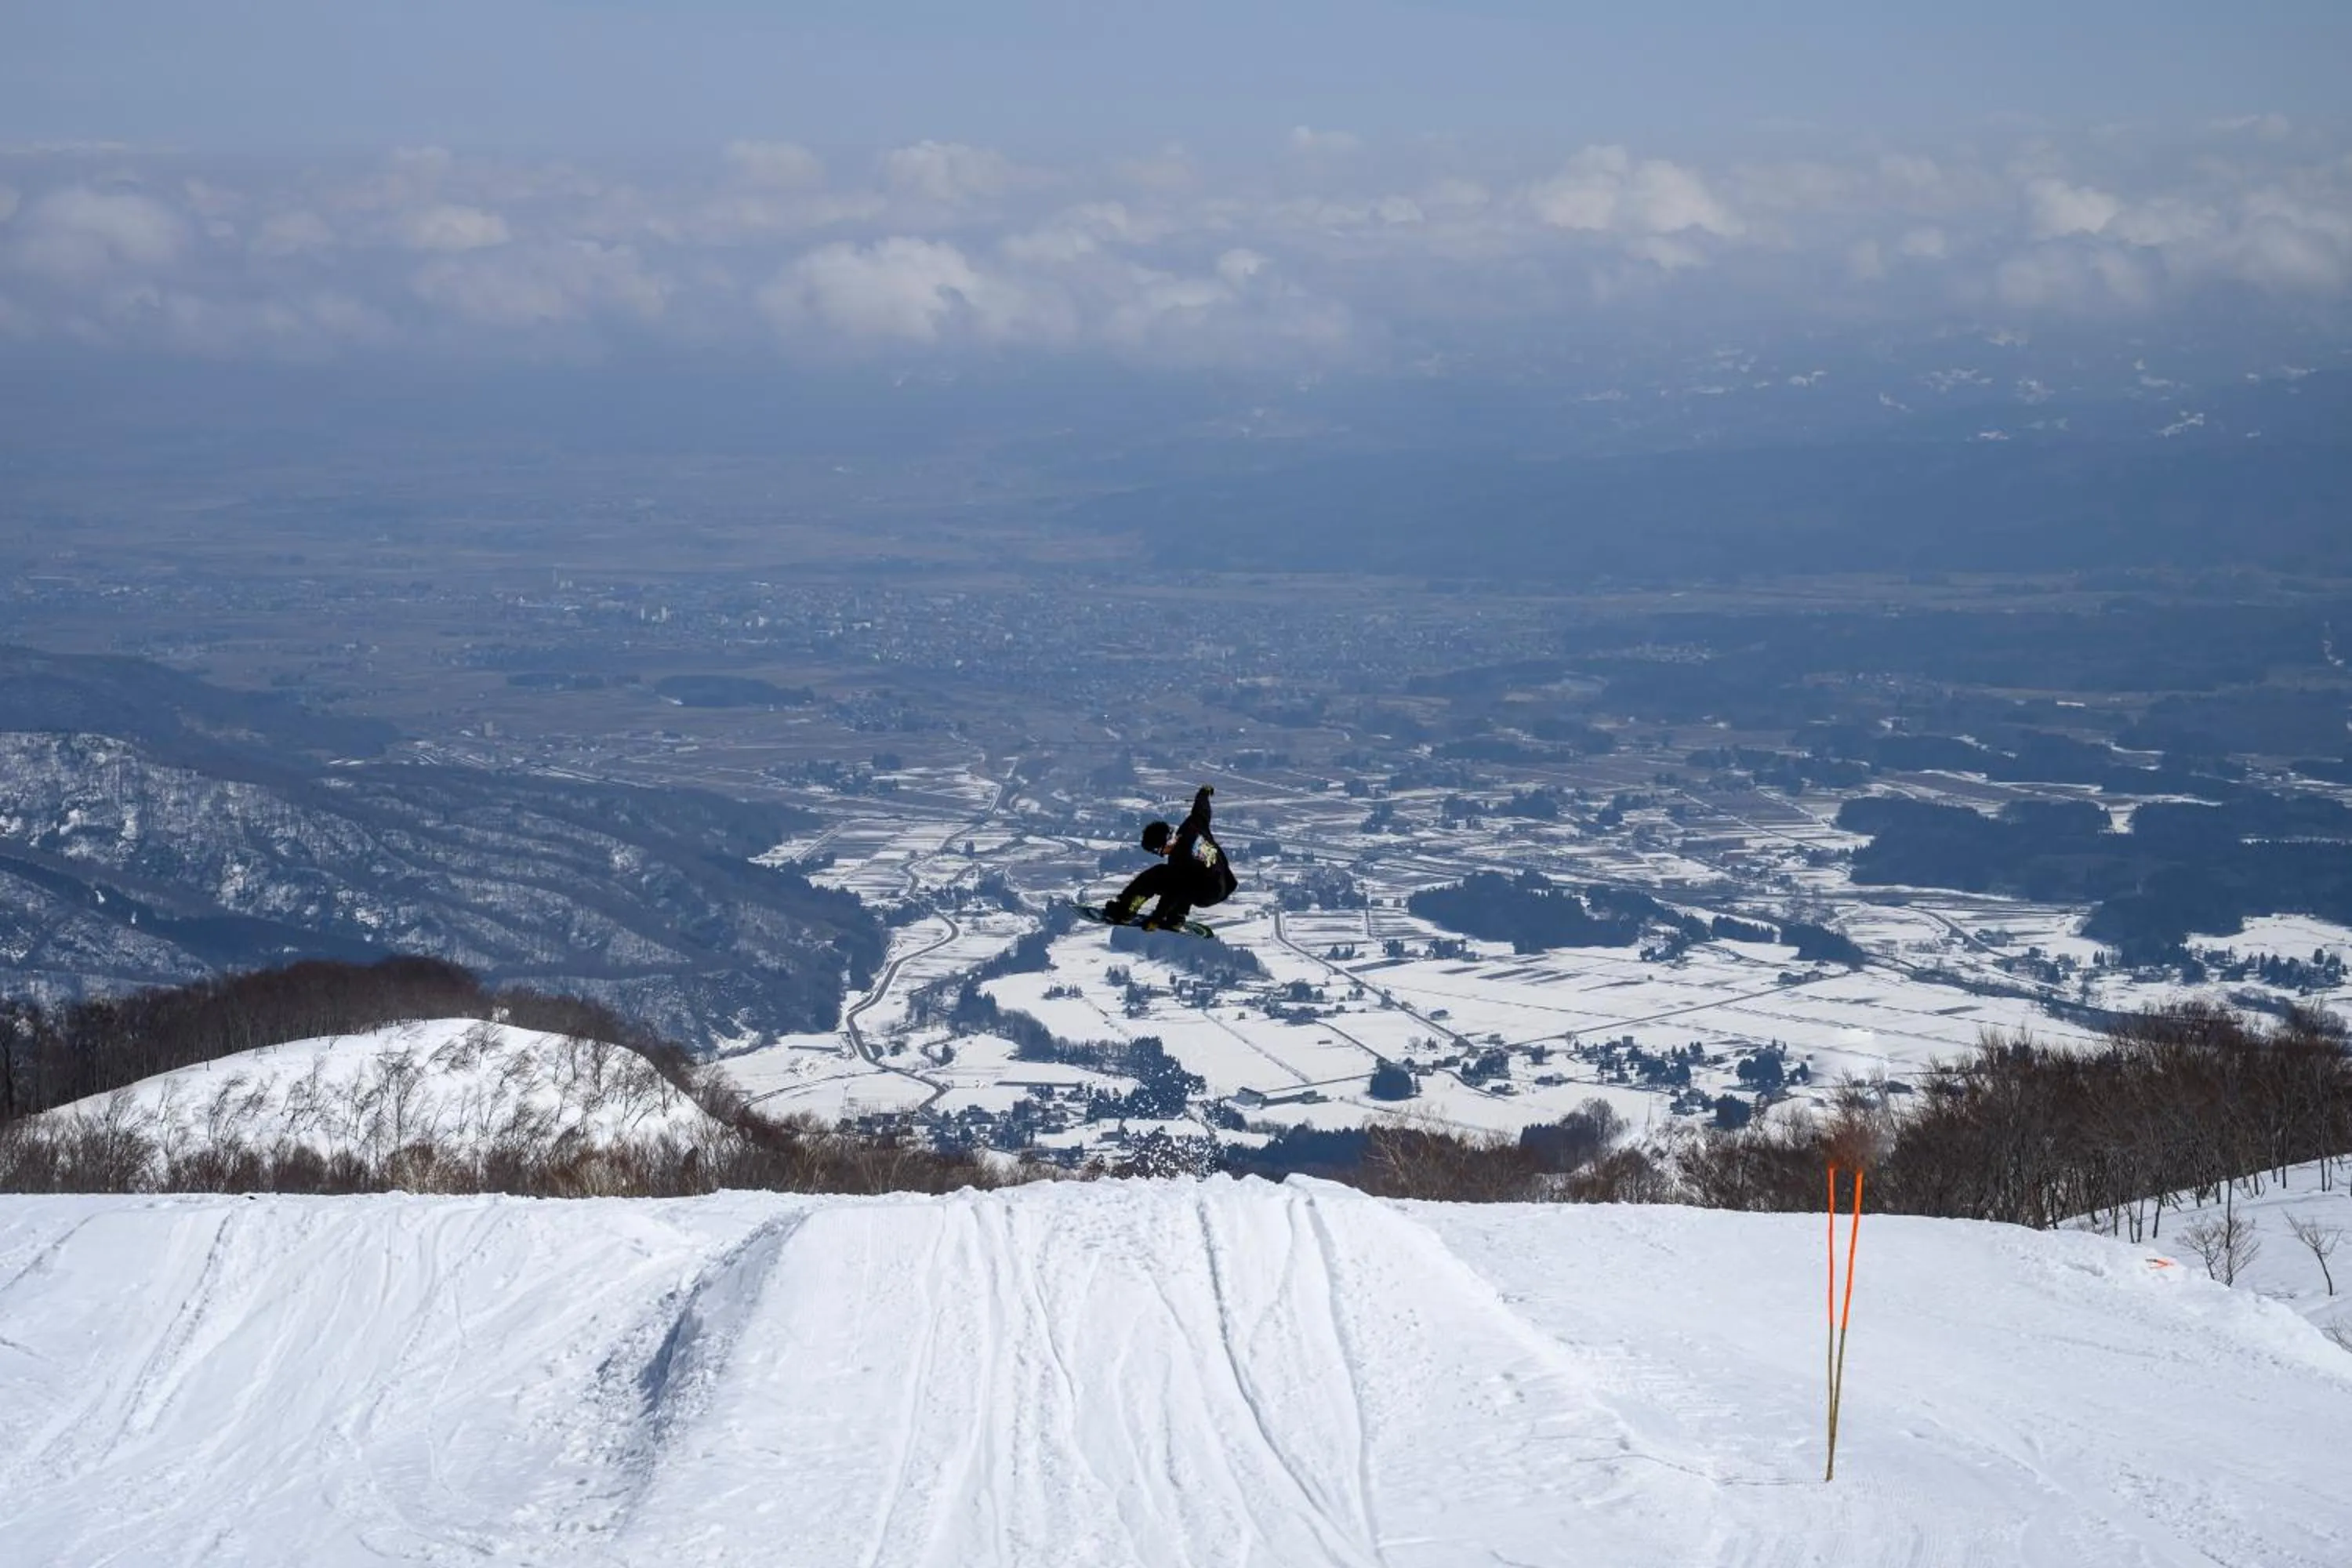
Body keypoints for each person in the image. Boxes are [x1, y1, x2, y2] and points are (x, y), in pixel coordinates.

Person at [1103, 785, 1236, 931]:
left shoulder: (1181, 858)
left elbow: (1174, 893)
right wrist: (1204, 793)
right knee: (1182, 880)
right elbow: (1201, 810)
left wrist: (1156, 919)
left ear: (1163, 845)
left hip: (1209, 893)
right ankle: (1175, 916)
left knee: (1158, 876)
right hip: (1224, 881)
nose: (1162, 855)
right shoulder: (1192, 826)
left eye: (1159, 852)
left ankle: (1125, 911)